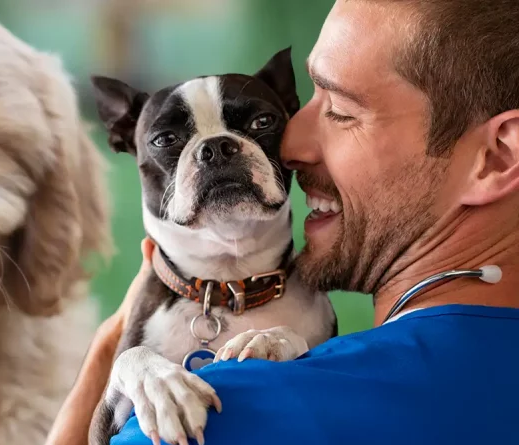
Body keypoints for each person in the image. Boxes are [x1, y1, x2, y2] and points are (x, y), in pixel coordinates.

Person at [45, 0, 519, 443]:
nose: (291, 148)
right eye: (306, 102)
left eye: (340, 111)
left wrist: (108, 352)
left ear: (497, 158)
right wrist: (117, 344)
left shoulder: (227, 411)